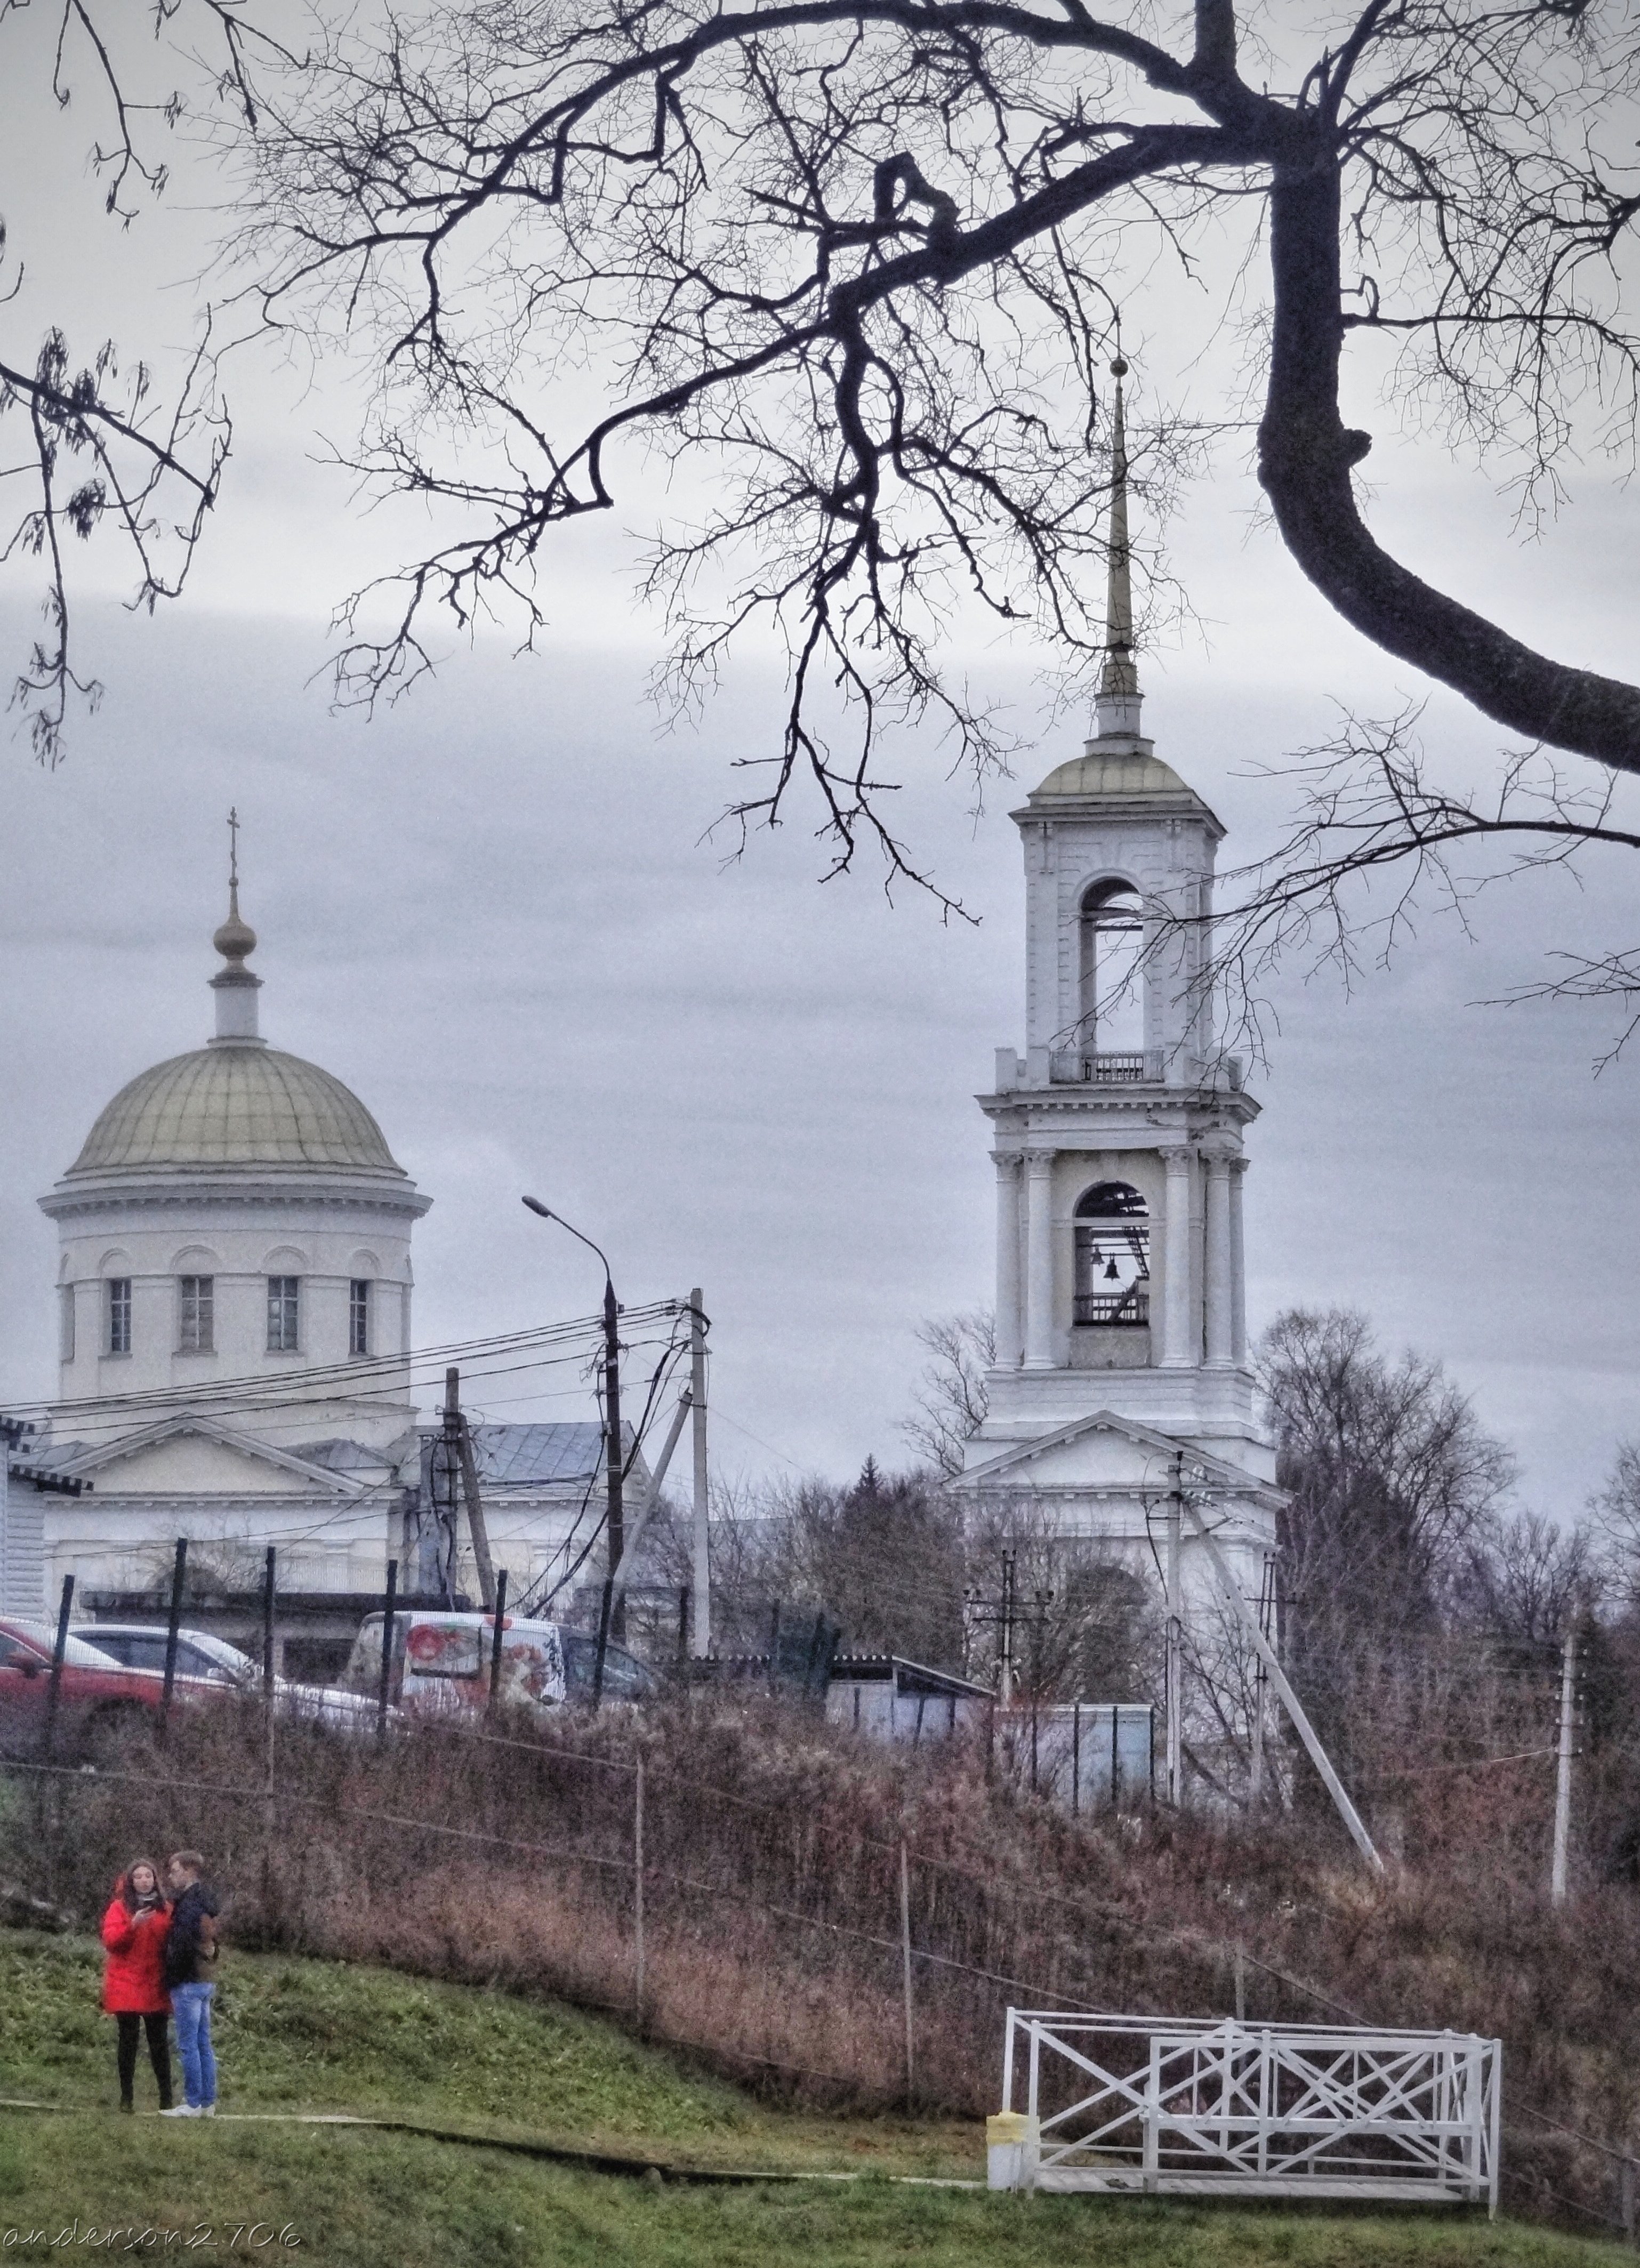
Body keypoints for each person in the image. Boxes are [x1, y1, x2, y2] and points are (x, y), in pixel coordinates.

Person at [99, 1859, 174, 2114]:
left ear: (155, 1880)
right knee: (128, 2041)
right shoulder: (119, 1908)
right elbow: (111, 1942)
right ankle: (126, 2097)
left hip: (155, 1981)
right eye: (139, 1877)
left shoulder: (167, 1909)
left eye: (149, 1876)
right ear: (131, 1882)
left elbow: (175, 1943)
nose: (144, 1881)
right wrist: (132, 1927)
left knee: (159, 2043)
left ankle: (167, 2099)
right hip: (125, 1981)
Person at [159, 1850, 221, 2118]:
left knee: (188, 2045)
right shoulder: (207, 1902)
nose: (171, 1876)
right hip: (205, 1980)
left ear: (188, 1871)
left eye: (174, 1870)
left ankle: (193, 2103)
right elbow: (211, 1944)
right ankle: (208, 2103)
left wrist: (171, 1975)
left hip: (187, 1982)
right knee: (203, 2043)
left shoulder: (188, 1905)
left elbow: (182, 1946)